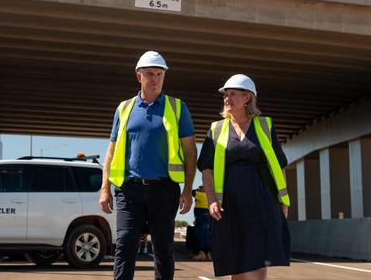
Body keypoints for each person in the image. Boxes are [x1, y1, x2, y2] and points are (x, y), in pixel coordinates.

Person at [99, 51, 197, 280]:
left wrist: (188, 190)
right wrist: (105, 188)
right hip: (129, 189)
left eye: (159, 74)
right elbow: (111, 151)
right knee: (125, 245)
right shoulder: (124, 109)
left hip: (164, 189)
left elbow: (190, 152)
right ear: (138, 77)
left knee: (163, 249)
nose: (155, 79)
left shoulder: (178, 108)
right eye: (150, 74)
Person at [197, 74, 290, 279]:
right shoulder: (216, 129)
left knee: (258, 256)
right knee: (234, 260)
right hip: (228, 203)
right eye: (225, 95)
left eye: (232, 94)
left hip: (261, 199)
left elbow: (279, 164)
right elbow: (206, 168)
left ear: (247, 97)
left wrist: (283, 200)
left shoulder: (265, 126)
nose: (226, 99)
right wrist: (211, 199)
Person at [191, 185, 211, 261]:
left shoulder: (200, 194)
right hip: (208, 216)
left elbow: (191, 191)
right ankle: (208, 253)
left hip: (201, 216)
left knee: (200, 235)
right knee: (207, 235)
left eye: (200, 187)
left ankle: (201, 253)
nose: (199, 188)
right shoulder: (209, 196)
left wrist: (198, 190)